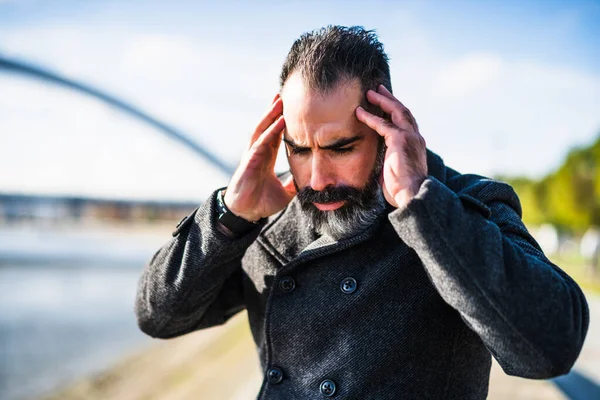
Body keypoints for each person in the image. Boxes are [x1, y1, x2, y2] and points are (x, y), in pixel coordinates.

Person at [135, 26, 589, 399]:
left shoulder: (461, 205)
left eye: (341, 148)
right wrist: (229, 215)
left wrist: (421, 205)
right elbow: (159, 315)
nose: (316, 178)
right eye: (298, 149)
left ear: (387, 124)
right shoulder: (270, 217)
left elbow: (549, 347)